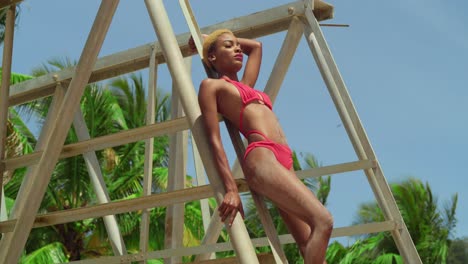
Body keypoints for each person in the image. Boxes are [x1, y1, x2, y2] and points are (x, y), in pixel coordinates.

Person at [189, 29, 333, 263]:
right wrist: (231, 189)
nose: (237, 49)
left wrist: (209, 38)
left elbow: (256, 46)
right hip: (262, 157)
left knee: (311, 246)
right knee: (323, 221)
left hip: (284, 159)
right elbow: (214, 140)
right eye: (228, 46)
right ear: (212, 57)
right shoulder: (212, 87)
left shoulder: (247, 85)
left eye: (237, 45)